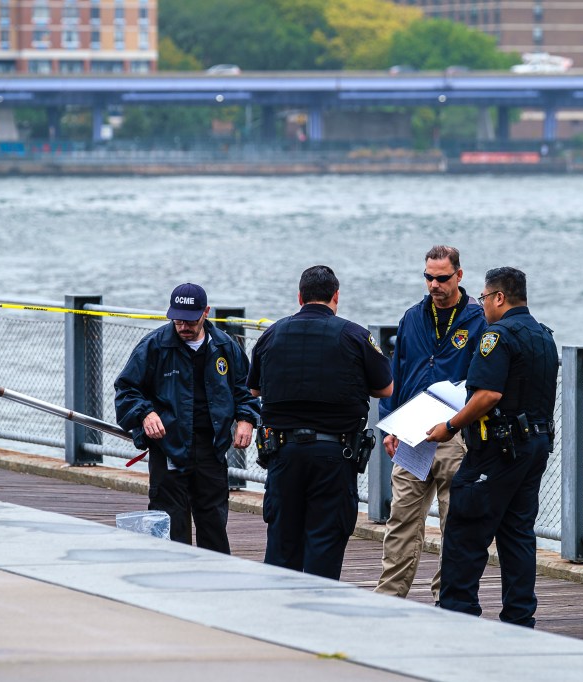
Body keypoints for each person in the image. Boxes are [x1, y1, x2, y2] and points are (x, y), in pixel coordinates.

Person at [425, 267, 558, 627]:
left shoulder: (496, 336)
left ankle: (458, 612)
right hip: (534, 448)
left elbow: (488, 393)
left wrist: (450, 426)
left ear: (499, 297)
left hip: (495, 451)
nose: (482, 304)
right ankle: (519, 617)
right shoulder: (543, 336)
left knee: (466, 529)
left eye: (484, 297)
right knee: (517, 533)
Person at [247, 265, 393, 579]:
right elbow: (386, 388)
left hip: (283, 455)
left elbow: (255, 388)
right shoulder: (354, 335)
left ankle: (277, 616)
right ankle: (318, 615)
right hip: (334, 456)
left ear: (299, 296)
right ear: (335, 296)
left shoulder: (272, 333)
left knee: (282, 544)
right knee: (325, 544)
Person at [374, 245, 487, 603]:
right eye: (429, 278)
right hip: (412, 434)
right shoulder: (412, 317)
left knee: (455, 522)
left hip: (456, 434)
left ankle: (447, 599)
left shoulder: (479, 319)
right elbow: (397, 372)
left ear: (459, 275)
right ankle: (389, 598)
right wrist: (390, 425)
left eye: (442, 278)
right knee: (401, 521)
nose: (435, 285)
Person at [114, 282, 259, 554]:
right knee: (170, 526)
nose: (184, 326)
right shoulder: (154, 346)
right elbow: (125, 390)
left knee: (213, 526)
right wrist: (145, 413)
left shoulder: (225, 346)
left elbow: (245, 391)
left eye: (190, 320)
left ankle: (215, 583)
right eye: (178, 320)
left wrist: (246, 420)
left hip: (211, 451)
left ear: (206, 313)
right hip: (169, 447)